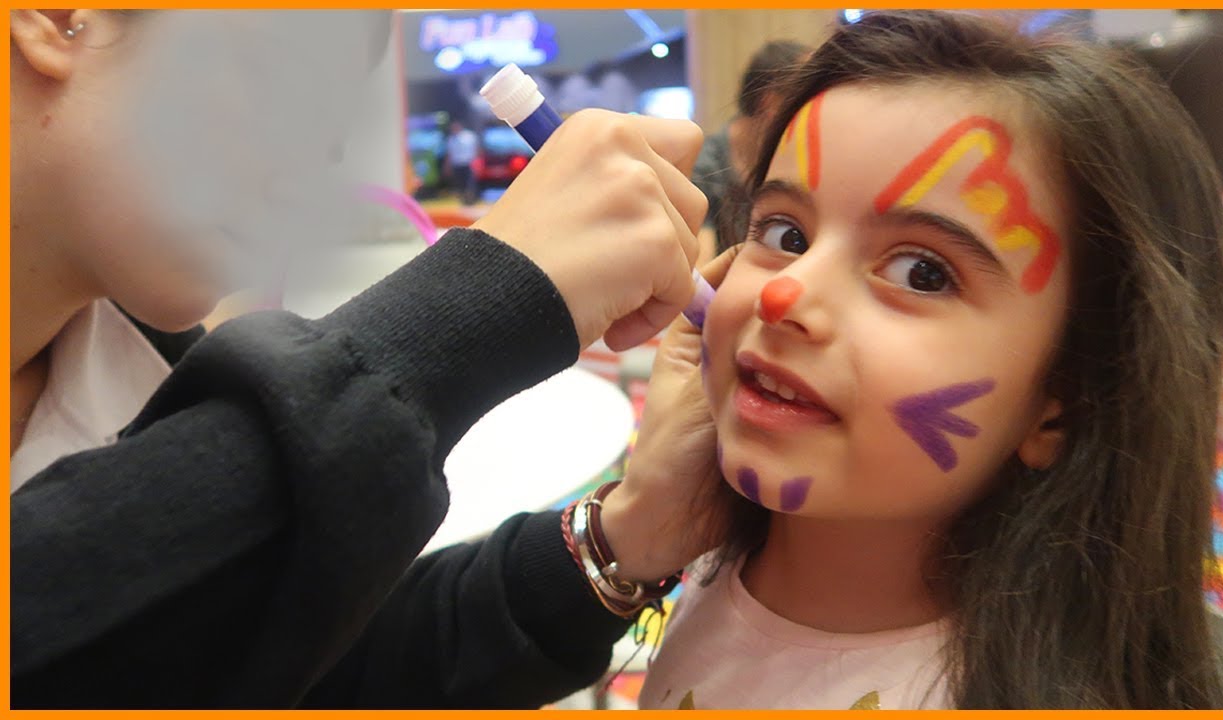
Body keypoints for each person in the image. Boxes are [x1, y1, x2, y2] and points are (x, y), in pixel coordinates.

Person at [10, 9, 730, 708]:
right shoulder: (181, 405)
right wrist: (480, 300)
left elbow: (283, 668)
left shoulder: (147, 371)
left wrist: (627, 532)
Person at [635, 10, 1223, 709]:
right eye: (786, 234)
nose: (783, 295)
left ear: (1064, 403)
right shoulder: (703, 555)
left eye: (922, 273)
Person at [690, 40, 808, 256]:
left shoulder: (800, 161)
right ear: (770, 103)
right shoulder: (703, 166)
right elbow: (701, 268)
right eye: (805, 100)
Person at [444, 120, 480, 205]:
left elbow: (477, 149)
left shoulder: (469, 136)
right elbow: (449, 154)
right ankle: (464, 201)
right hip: (457, 164)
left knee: (470, 183)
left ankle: (471, 200)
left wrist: (477, 162)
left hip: (468, 163)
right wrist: (447, 166)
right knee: (460, 184)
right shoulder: (451, 139)